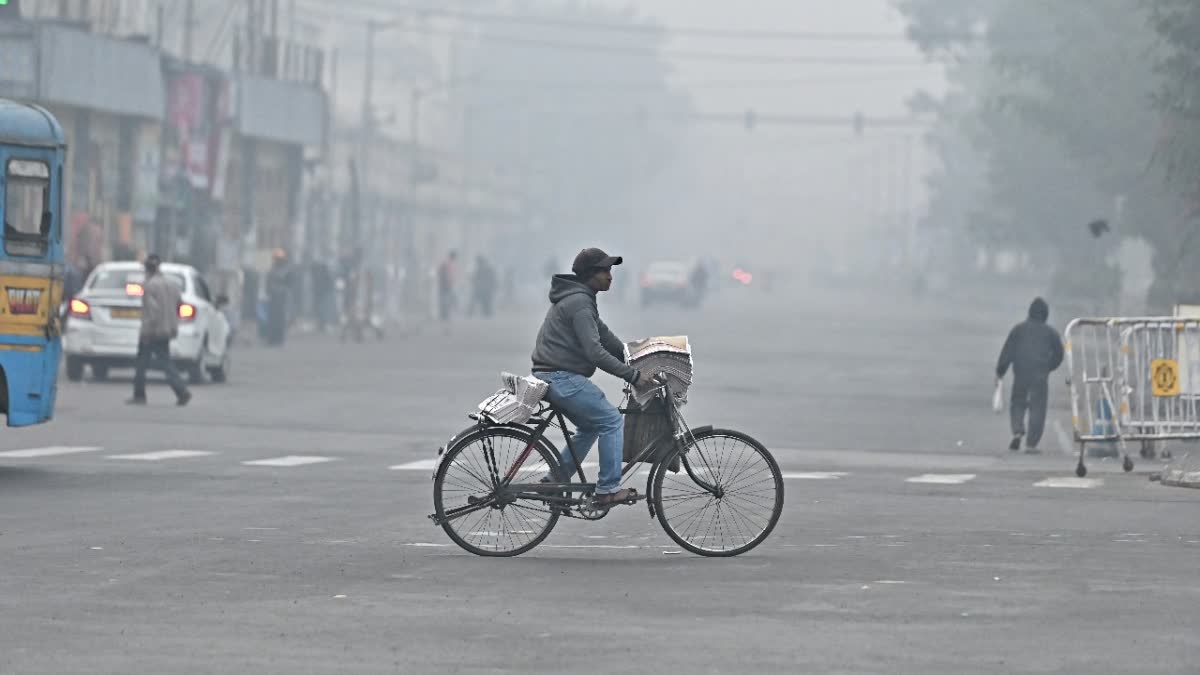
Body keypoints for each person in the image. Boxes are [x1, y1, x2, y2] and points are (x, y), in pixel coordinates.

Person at [531, 248, 644, 506]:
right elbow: (595, 352)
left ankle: (554, 481)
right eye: (605, 271)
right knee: (611, 420)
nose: (610, 276)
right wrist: (633, 375)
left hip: (552, 374)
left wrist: (635, 355)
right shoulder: (579, 302)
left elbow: (604, 336)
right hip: (560, 376)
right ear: (590, 275)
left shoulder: (582, 298)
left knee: (591, 426)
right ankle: (608, 490)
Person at [996, 297, 1064, 453]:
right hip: (1040, 374)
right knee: (1038, 408)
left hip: (1021, 373)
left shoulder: (1018, 329)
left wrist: (1000, 372)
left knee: (1018, 403)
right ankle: (1031, 443)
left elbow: (1007, 352)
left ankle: (1018, 431)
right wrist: (1048, 367)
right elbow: (1059, 355)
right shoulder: (1051, 333)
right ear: (1045, 314)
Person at [129, 254, 191, 406]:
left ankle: (140, 395)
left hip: (152, 331)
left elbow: (152, 311)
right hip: (166, 330)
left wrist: (146, 332)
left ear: (147, 269)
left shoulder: (149, 286)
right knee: (165, 362)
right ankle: (181, 391)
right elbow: (180, 305)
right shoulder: (171, 284)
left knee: (142, 363)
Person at [265, 249, 290, 346]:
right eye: (276, 259)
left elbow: (289, 284)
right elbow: (268, 283)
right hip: (273, 297)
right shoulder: (272, 270)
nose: (277, 261)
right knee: (273, 319)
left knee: (280, 319)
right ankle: (272, 339)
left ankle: (279, 339)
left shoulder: (285, 270)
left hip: (281, 297)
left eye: (279, 259)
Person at [437, 250, 458, 323]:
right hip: (446, 285)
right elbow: (448, 275)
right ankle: (444, 314)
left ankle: (444, 314)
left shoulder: (447, 263)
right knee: (446, 299)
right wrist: (449, 282)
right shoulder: (447, 263)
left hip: (445, 284)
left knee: (445, 299)